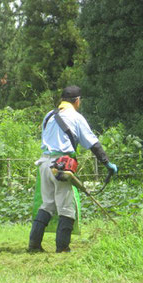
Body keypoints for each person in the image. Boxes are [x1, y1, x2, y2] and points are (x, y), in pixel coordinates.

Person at [28, 85, 118, 253]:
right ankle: (62, 248)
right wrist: (107, 164)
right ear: (77, 101)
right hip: (61, 166)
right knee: (66, 207)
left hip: (44, 163)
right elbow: (93, 143)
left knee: (47, 205)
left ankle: (33, 245)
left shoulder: (48, 116)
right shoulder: (76, 117)